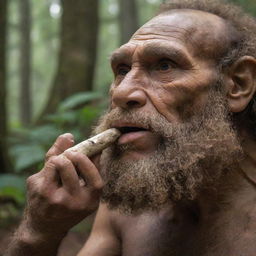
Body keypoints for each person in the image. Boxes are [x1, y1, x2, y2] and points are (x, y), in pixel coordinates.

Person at [5, 0, 256, 255]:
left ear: (237, 84)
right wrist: (38, 232)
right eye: (122, 70)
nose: (122, 92)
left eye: (164, 65)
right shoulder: (130, 208)